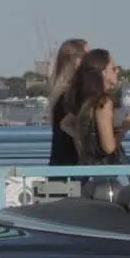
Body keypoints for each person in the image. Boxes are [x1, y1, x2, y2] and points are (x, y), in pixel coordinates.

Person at [60, 49, 130, 166]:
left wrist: (83, 140)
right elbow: (109, 148)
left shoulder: (86, 101)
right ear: (103, 73)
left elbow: (65, 124)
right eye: (113, 68)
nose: (117, 71)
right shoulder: (103, 103)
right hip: (105, 173)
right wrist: (124, 128)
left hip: (87, 167)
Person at [46, 39, 88, 170]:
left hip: (60, 165)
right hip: (73, 169)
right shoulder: (72, 95)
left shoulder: (59, 94)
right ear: (77, 61)